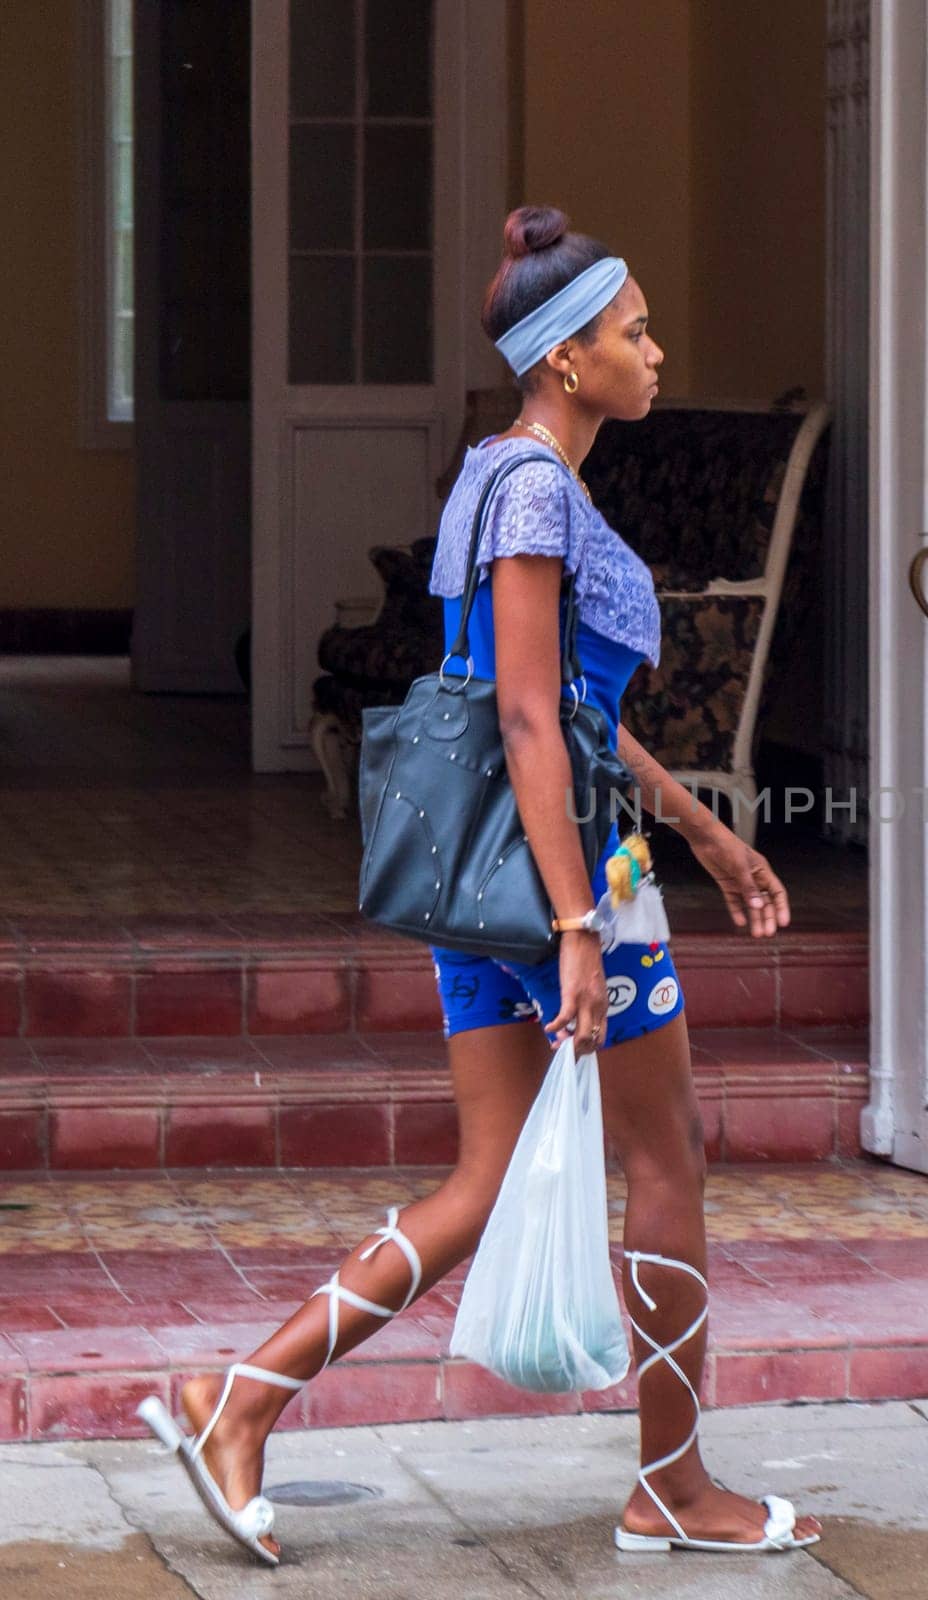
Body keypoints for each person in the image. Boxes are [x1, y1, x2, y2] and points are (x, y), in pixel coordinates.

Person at [136, 204, 822, 1564]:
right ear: (567, 359)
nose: (657, 351)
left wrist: (705, 830)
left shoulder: (505, 478)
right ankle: (674, 1484)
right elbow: (522, 721)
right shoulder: (532, 491)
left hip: (489, 881)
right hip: (558, 886)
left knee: (486, 1179)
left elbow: (566, 710)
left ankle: (238, 1401)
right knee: (668, 1161)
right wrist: (580, 922)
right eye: (635, 334)